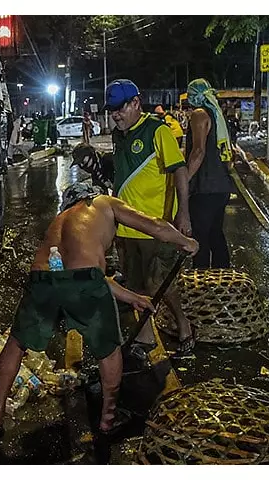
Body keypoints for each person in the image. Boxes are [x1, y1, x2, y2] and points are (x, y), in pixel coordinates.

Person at [0, 183, 198, 437]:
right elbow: (155, 227)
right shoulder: (104, 203)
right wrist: (186, 241)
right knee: (109, 350)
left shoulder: (62, 220)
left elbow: (75, 270)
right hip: (85, 282)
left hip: (42, 279)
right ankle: (108, 419)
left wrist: (132, 297)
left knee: (16, 342)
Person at [104, 79, 195, 359]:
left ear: (135, 103)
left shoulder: (157, 131)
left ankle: (184, 325)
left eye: (120, 109)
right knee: (134, 287)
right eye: (112, 110)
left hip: (156, 226)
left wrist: (183, 213)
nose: (115, 115)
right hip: (127, 229)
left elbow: (179, 171)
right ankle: (145, 338)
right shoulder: (118, 136)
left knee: (159, 284)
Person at [184, 78, 236, 270]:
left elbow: (198, 151)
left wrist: (185, 180)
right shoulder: (215, 114)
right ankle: (223, 276)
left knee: (200, 236)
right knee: (215, 234)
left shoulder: (199, 114)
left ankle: (202, 278)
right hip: (220, 186)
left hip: (204, 187)